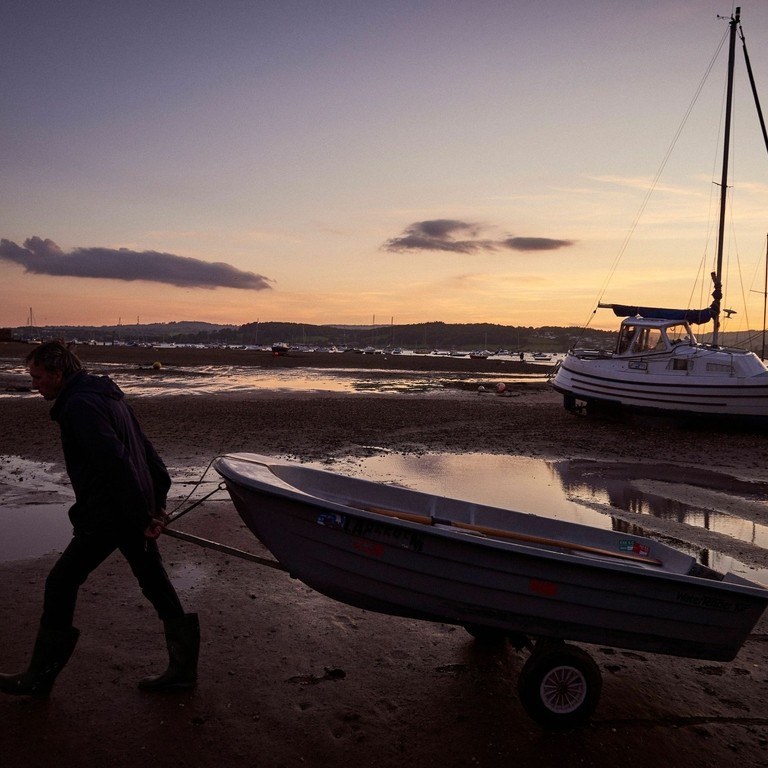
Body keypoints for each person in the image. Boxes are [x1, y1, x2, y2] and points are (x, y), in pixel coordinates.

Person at [0, 340, 199, 697]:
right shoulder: (107, 395)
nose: (34, 384)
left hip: (112, 514)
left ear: (58, 374)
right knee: (153, 580)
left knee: (61, 583)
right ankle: (182, 670)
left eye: (38, 376)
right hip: (130, 508)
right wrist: (155, 504)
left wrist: (145, 515)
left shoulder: (79, 405)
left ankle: (39, 677)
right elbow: (149, 455)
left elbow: (117, 463)